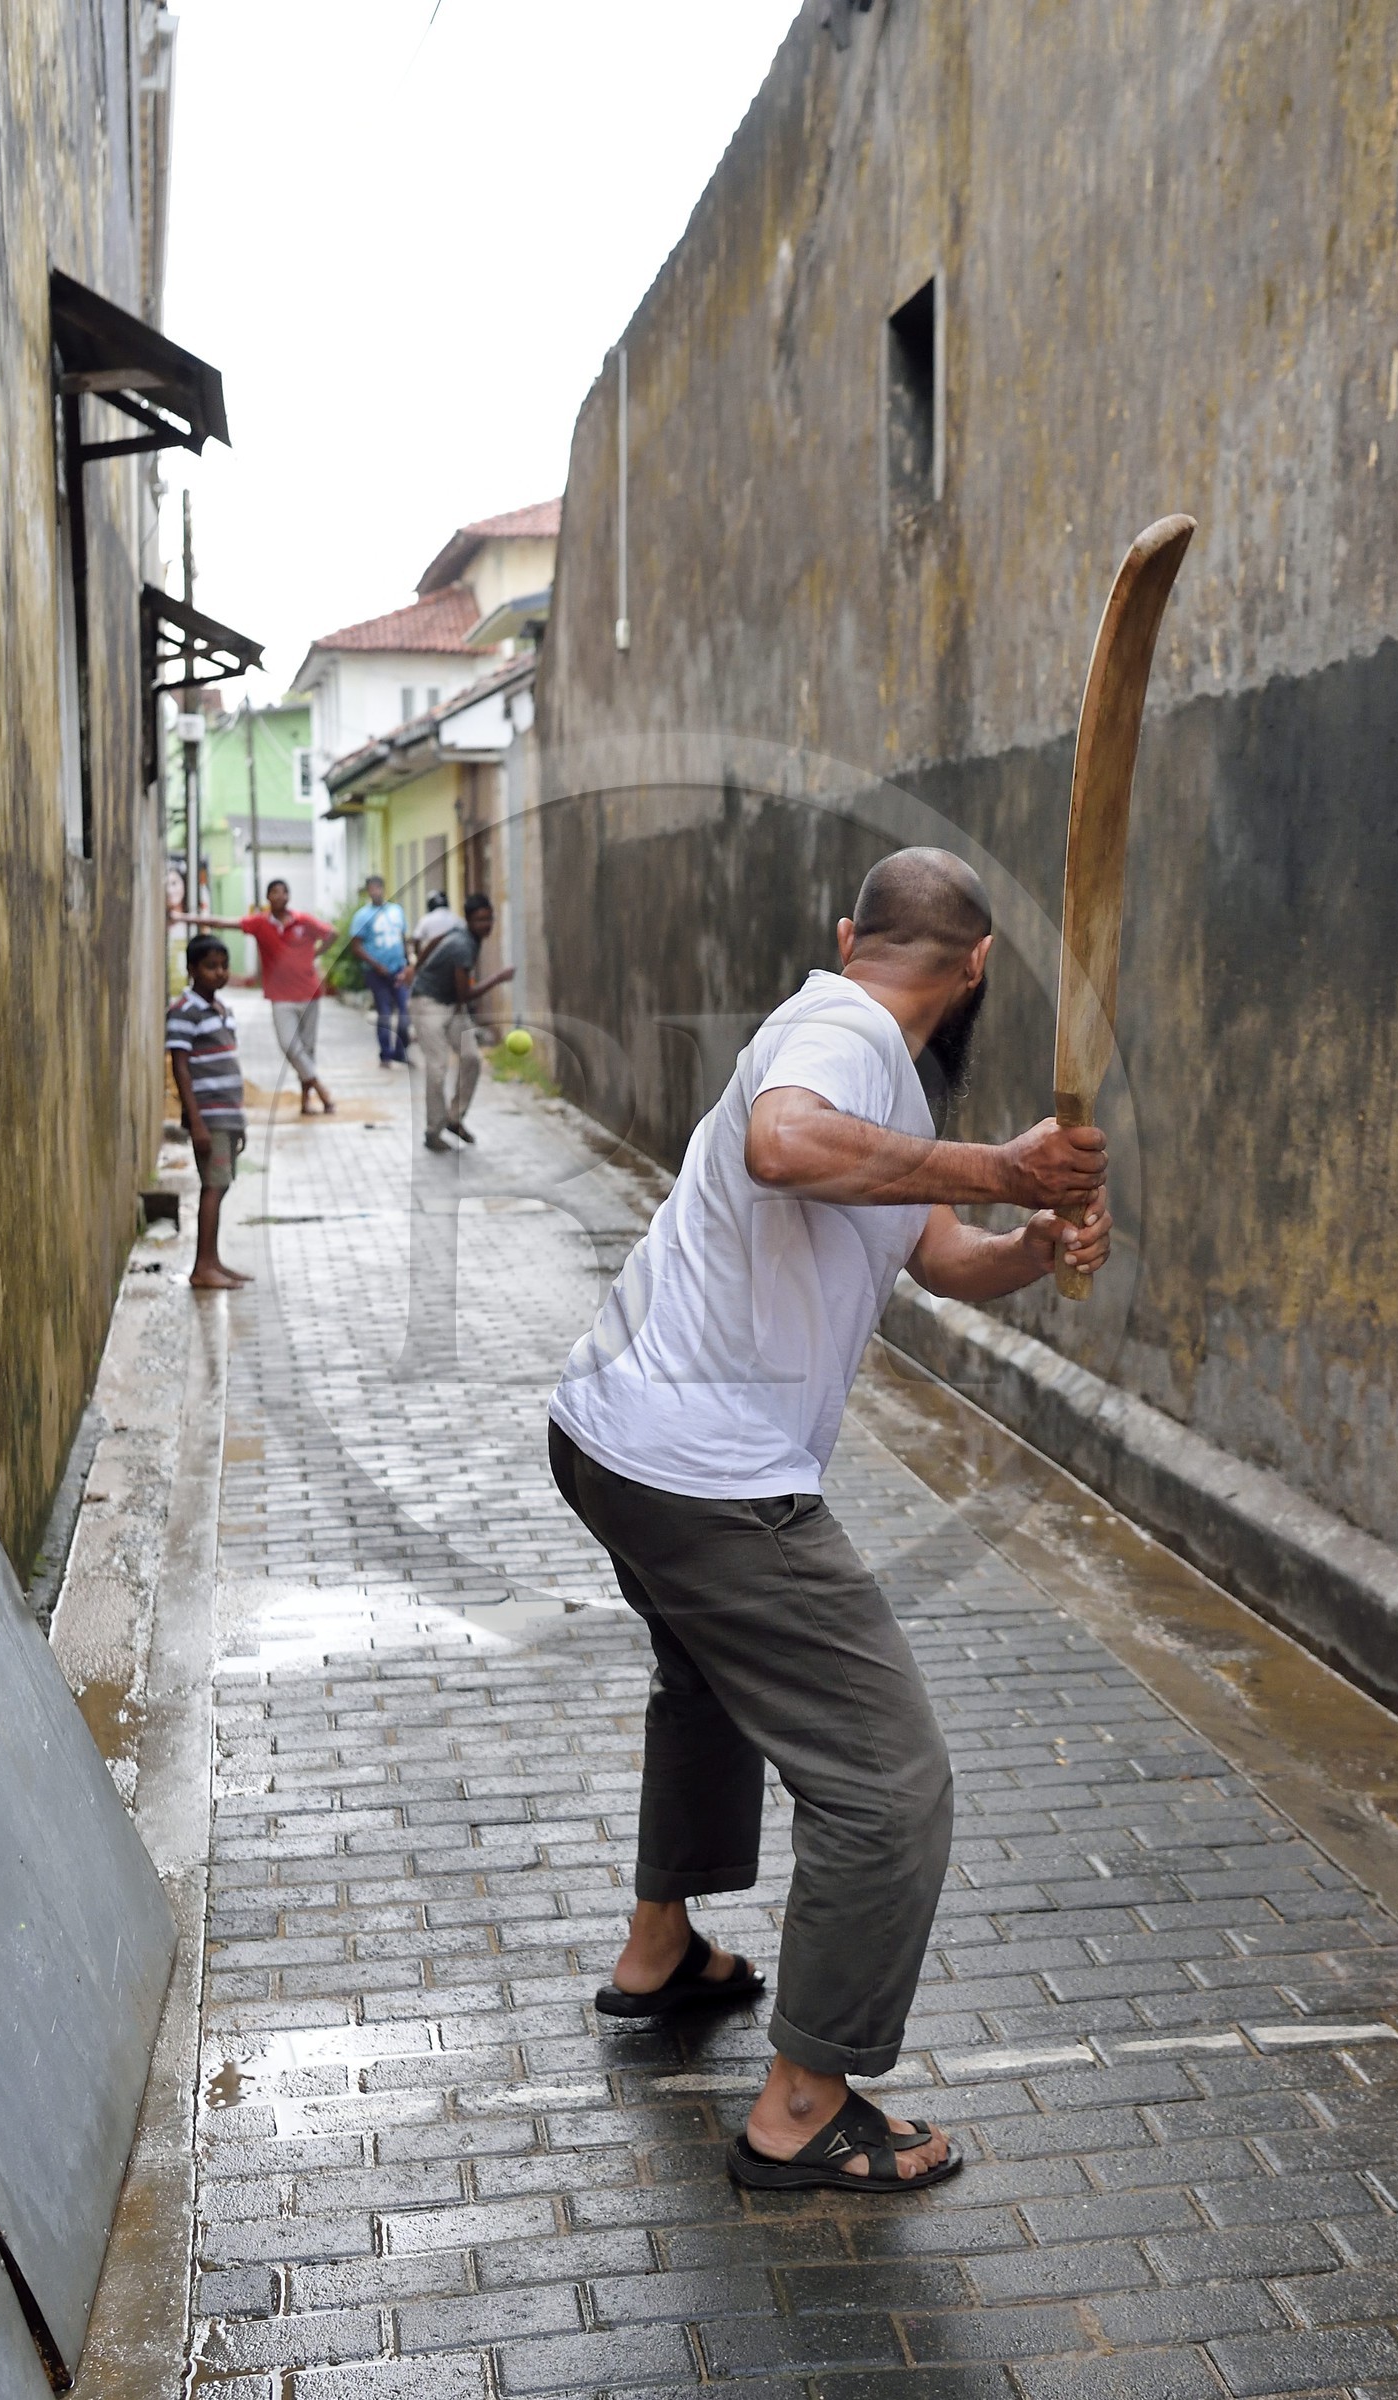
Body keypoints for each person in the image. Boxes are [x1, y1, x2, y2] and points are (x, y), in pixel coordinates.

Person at [547, 848, 1111, 2194]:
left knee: (707, 1684)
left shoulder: (881, 1082)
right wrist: (1000, 1160)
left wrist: (1030, 1236)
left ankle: (661, 1951)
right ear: (977, 967)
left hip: (612, 1438)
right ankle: (804, 2106)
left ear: (856, 930)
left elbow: (945, 1254)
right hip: (703, 1470)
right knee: (888, 1787)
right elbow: (781, 1143)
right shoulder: (839, 1035)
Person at [192, 879, 336, 1114]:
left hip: (310, 993)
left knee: (307, 1050)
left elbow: (332, 933)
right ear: (268, 897)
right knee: (290, 1046)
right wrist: (185, 918)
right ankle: (321, 1089)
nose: (280, 896)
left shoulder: (304, 921)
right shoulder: (260, 923)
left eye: (284, 892)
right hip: (280, 996)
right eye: (274, 893)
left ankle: (305, 1101)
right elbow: (222, 922)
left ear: (289, 896)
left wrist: (315, 954)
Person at [166, 935, 254, 1291]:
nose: (219, 973)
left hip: (227, 1114)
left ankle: (213, 1261)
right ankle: (202, 1267)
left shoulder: (221, 1010)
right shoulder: (184, 1011)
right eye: (210, 966)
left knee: (222, 1184)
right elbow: (181, 1067)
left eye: (223, 966)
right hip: (209, 1117)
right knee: (213, 1187)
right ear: (191, 969)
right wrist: (196, 1120)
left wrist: (240, 1121)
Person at [409, 891, 514, 1152]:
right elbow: (465, 993)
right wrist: (498, 978)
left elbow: (434, 941)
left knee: (471, 1059)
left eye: (489, 919)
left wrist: (416, 967)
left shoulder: (461, 932)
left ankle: (454, 1118)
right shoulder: (463, 946)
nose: (486, 925)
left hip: (452, 1005)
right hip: (428, 1003)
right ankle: (433, 1130)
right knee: (437, 1067)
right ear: (468, 920)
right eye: (480, 920)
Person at [349, 876, 411, 1067]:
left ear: (383, 889)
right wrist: (376, 965)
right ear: (368, 891)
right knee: (384, 1012)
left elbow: (403, 938)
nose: (375, 892)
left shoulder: (396, 911)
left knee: (405, 1011)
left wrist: (408, 964)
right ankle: (385, 1053)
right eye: (372, 889)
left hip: (398, 968)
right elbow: (356, 946)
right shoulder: (362, 915)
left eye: (378, 888)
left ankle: (400, 1051)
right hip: (376, 973)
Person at [411, 888, 460, 967]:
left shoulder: (426, 919)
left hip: (432, 961)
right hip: (453, 961)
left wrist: (419, 958)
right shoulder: (455, 918)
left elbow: (416, 939)